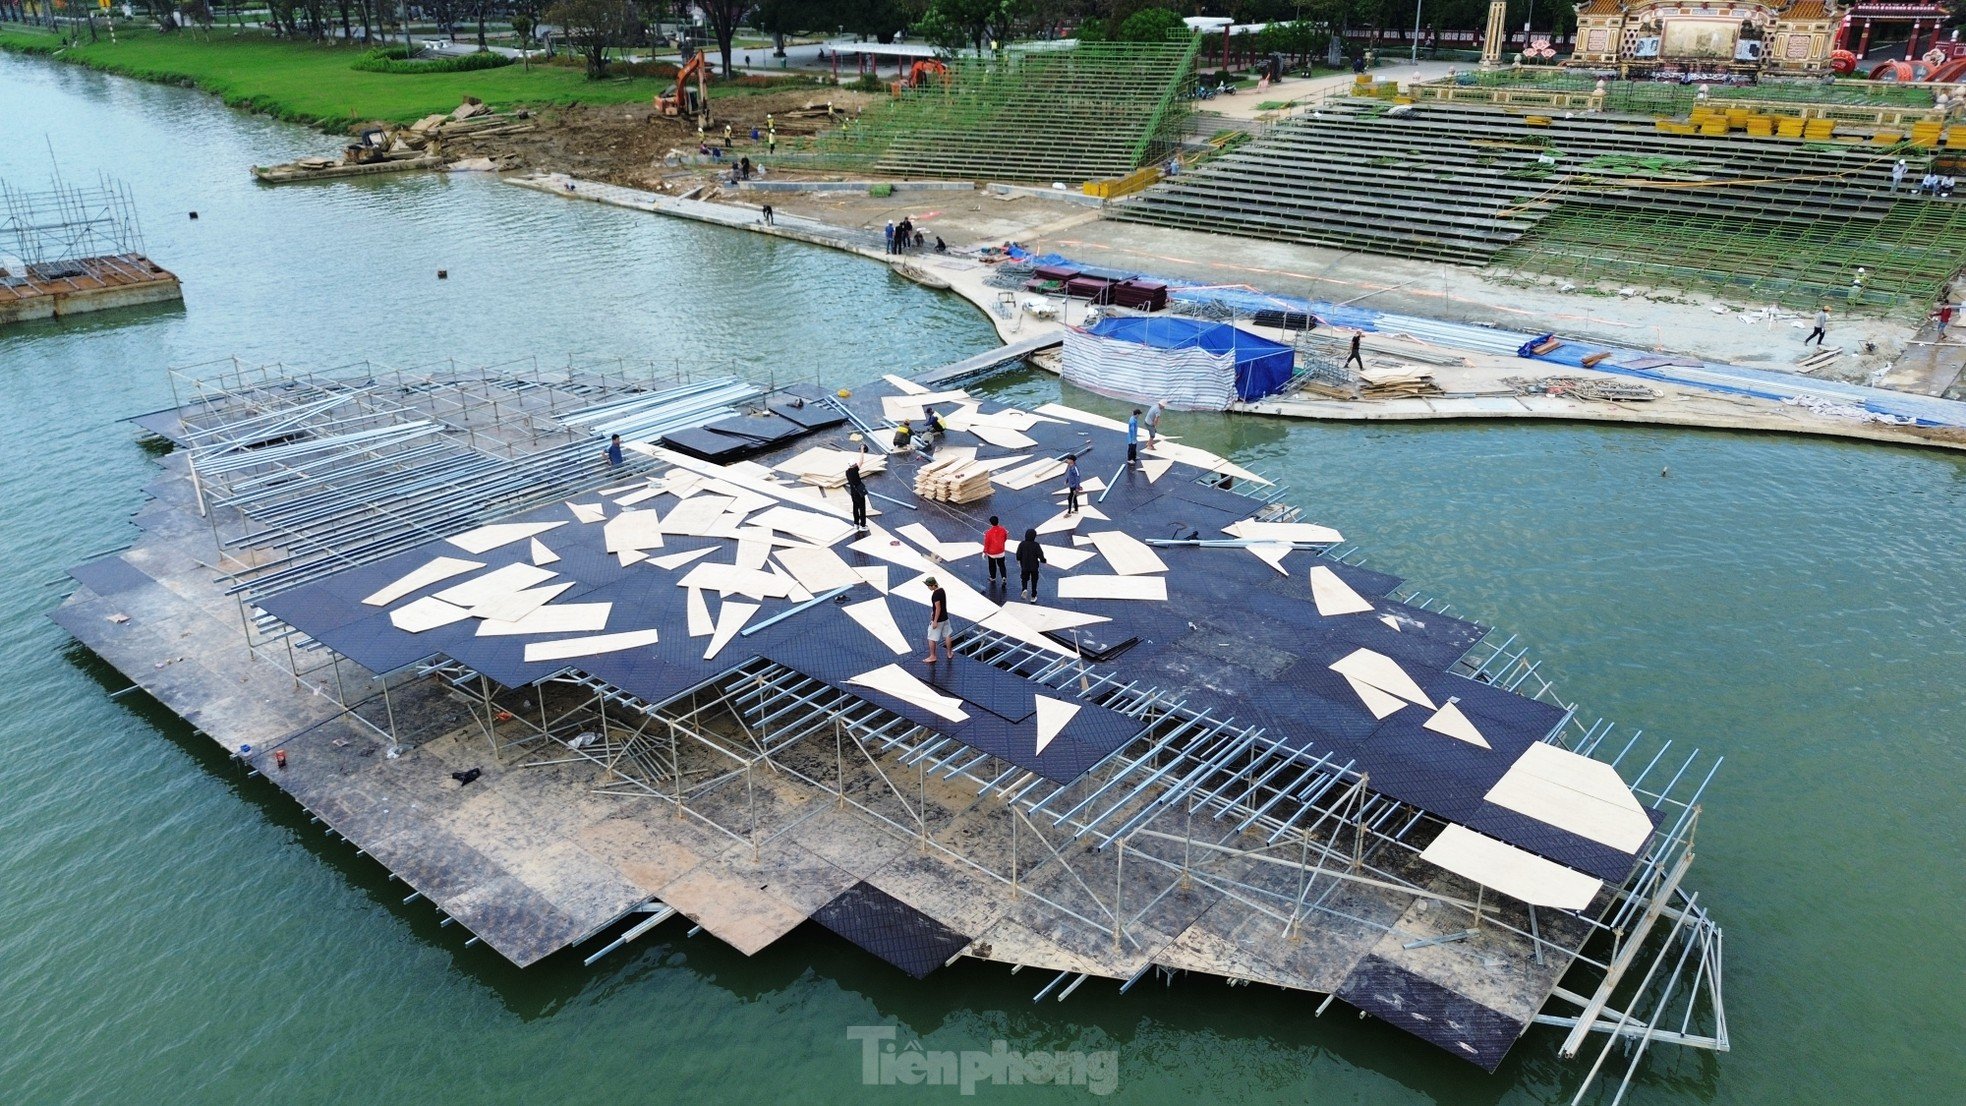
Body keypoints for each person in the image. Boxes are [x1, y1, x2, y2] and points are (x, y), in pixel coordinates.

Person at [922, 576, 951, 664]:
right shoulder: (942, 590)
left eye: (929, 586)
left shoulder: (935, 595)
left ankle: (932, 656)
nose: (928, 587)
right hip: (945, 617)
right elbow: (940, 606)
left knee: (931, 638)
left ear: (933, 585)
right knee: (947, 635)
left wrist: (935, 621)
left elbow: (938, 608)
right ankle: (949, 653)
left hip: (938, 620)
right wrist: (933, 611)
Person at [1016, 527, 1046, 601]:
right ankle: (1033, 596)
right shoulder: (1036, 545)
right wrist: (1043, 560)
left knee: (1024, 579)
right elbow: (1040, 555)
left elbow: (1018, 554)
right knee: (1034, 581)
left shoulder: (1022, 544)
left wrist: (1019, 560)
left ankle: (1024, 588)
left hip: (1025, 566)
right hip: (1034, 567)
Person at [983, 516, 1009, 588]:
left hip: (991, 553)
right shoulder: (1003, 530)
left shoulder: (988, 533)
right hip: (1001, 551)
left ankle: (993, 577)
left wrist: (984, 552)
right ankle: (1003, 577)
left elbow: (986, 543)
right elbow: (1005, 538)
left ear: (991, 523)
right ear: (998, 521)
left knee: (992, 565)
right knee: (1002, 565)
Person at [845, 457, 869, 532]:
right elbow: (861, 461)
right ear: (854, 464)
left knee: (855, 508)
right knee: (862, 508)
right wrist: (862, 450)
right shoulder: (855, 470)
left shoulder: (847, 472)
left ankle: (856, 524)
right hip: (859, 493)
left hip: (853, 493)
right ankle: (862, 525)